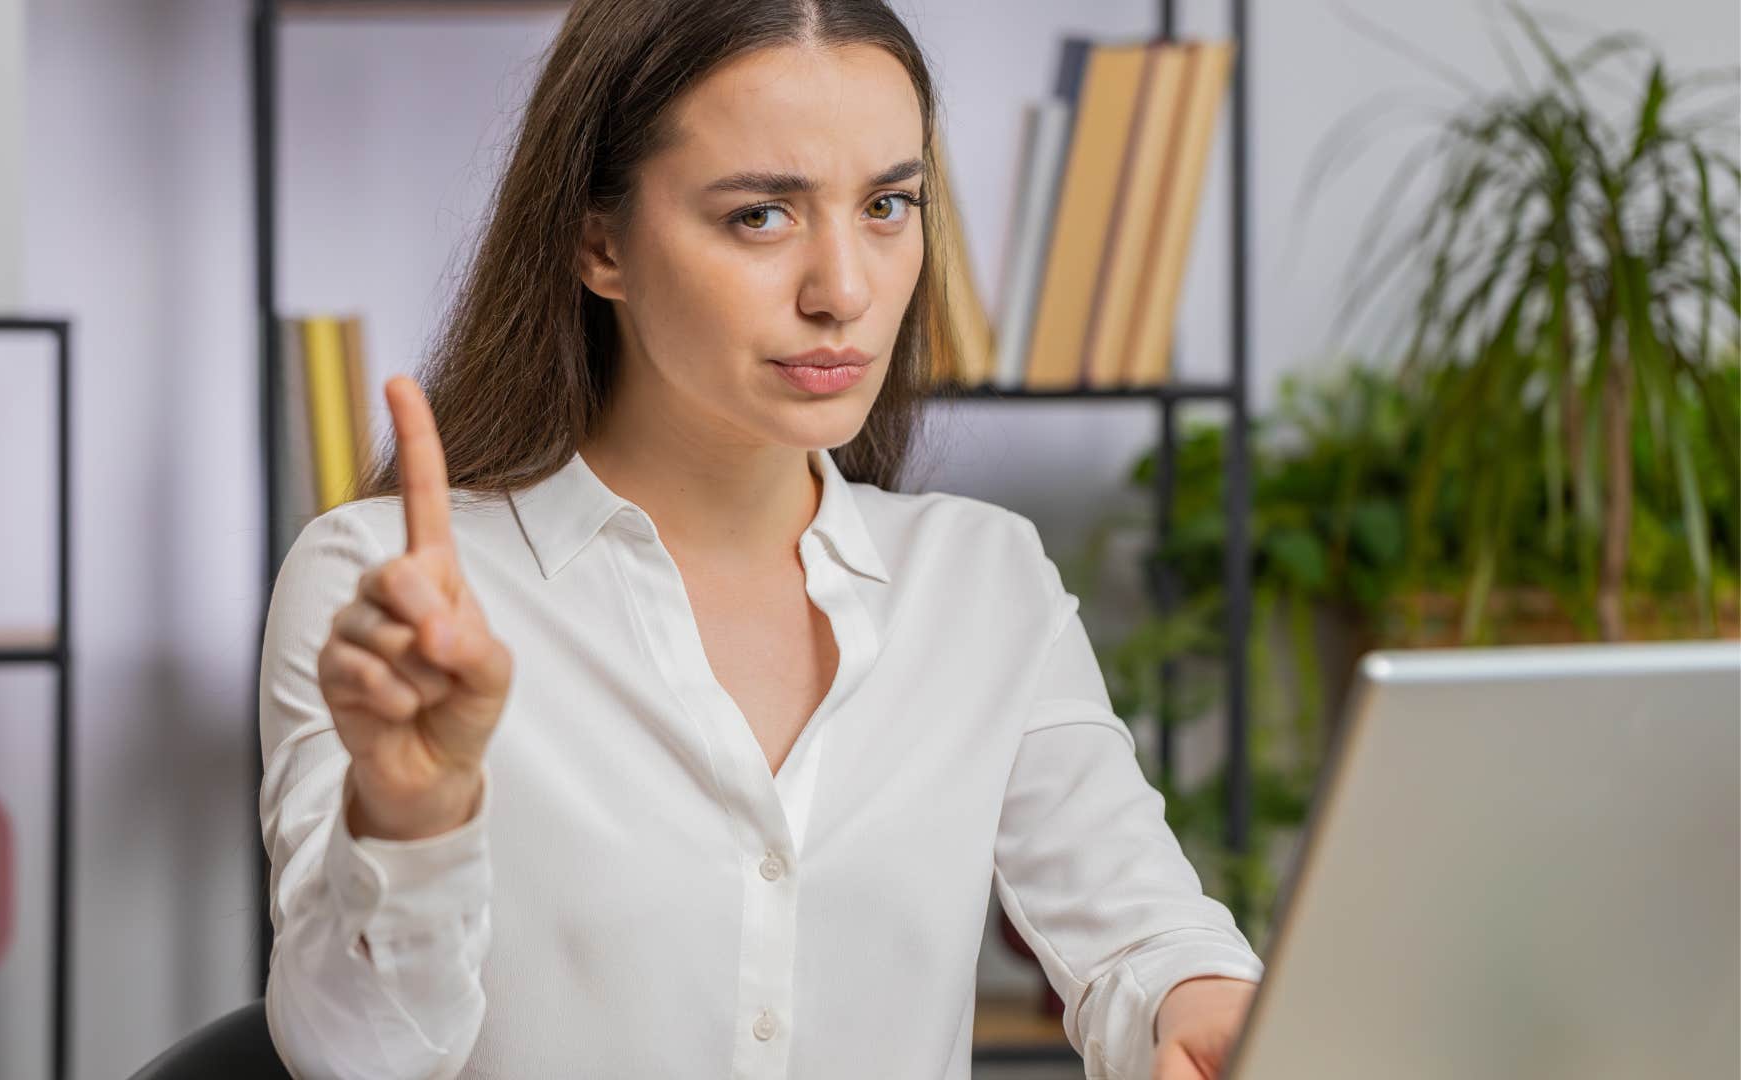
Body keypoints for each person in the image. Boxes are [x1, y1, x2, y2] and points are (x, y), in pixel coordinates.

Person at [257, 1, 1264, 1077]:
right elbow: (349, 1057)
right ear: (599, 242)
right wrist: (414, 815)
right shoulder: (390, 589)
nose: (845, 291)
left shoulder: (982, 581)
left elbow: (1145, 937)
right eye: (760, 217)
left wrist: (1201, 1005)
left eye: (887, 204)